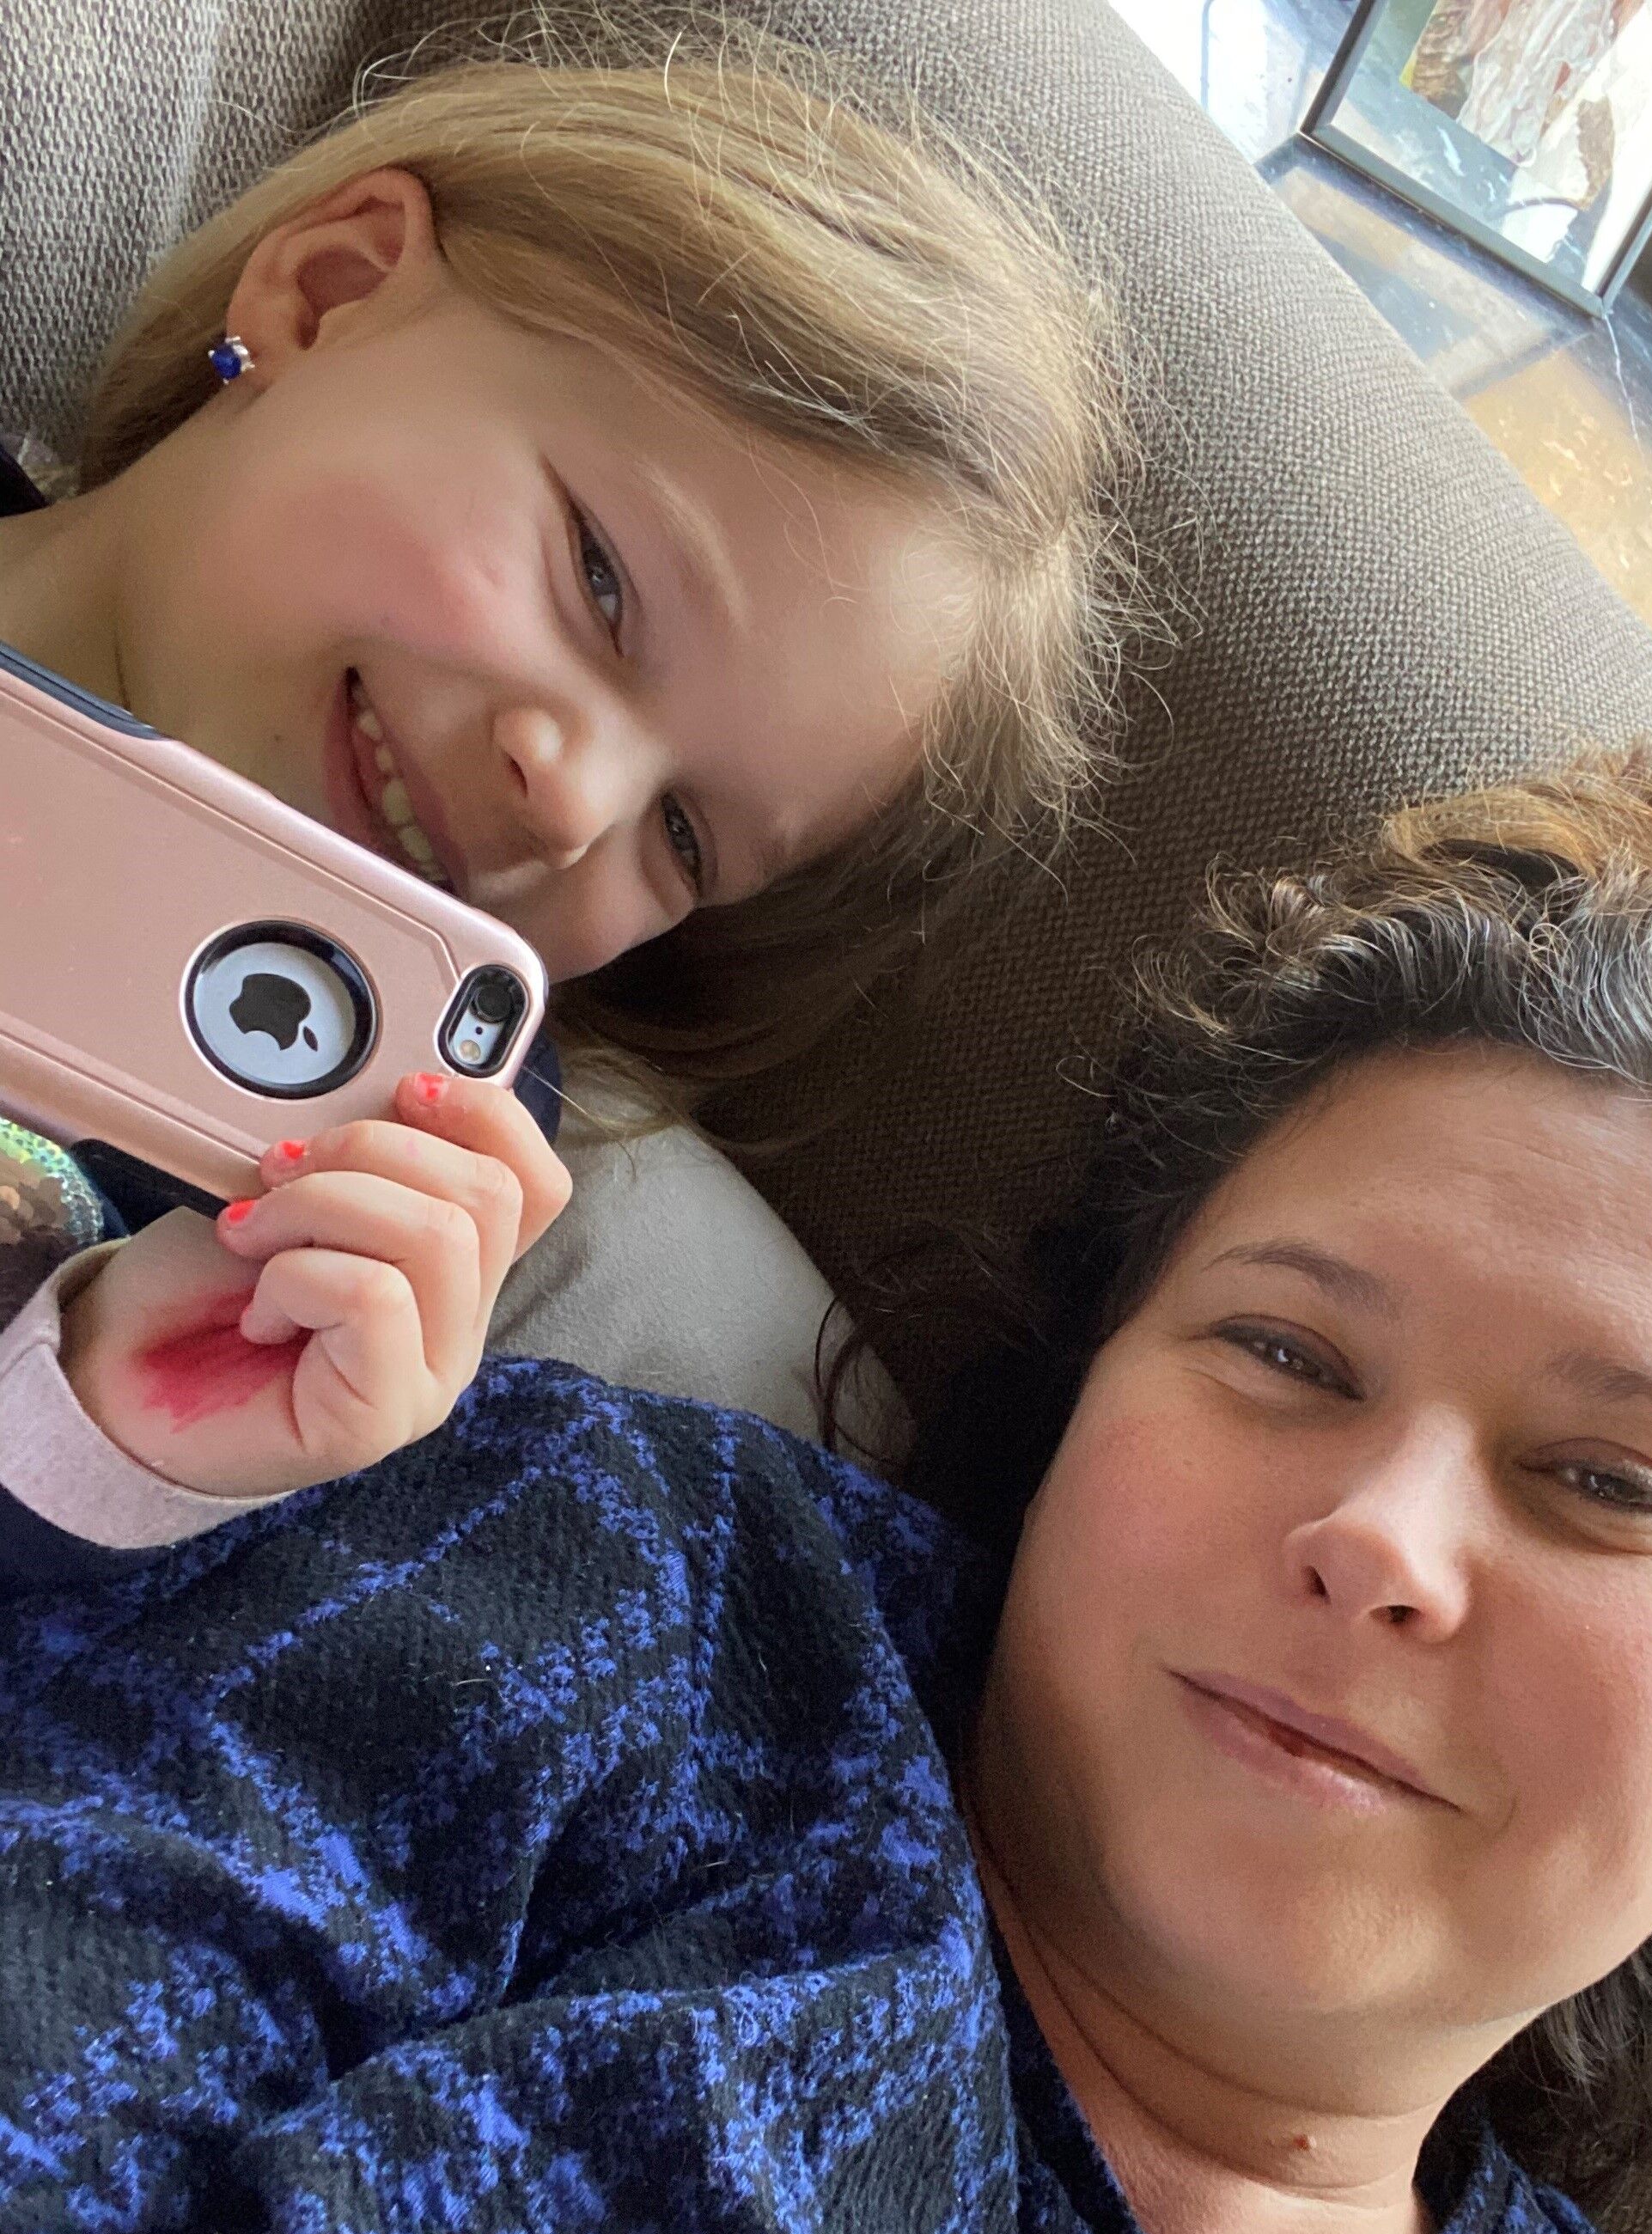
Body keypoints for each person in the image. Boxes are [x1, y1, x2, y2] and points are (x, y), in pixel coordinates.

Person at [5, 746, 1652, 2234]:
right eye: (1287, 1351)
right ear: (1094, 1387)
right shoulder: (643, 1601)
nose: (1382, 1535)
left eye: (1611, 1482)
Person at [0, 15, 1132, 1562]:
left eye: (684, 836)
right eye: (598, 581)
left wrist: (106, 1446)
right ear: (328, 290)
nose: (571, 804)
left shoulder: (353, 1198)